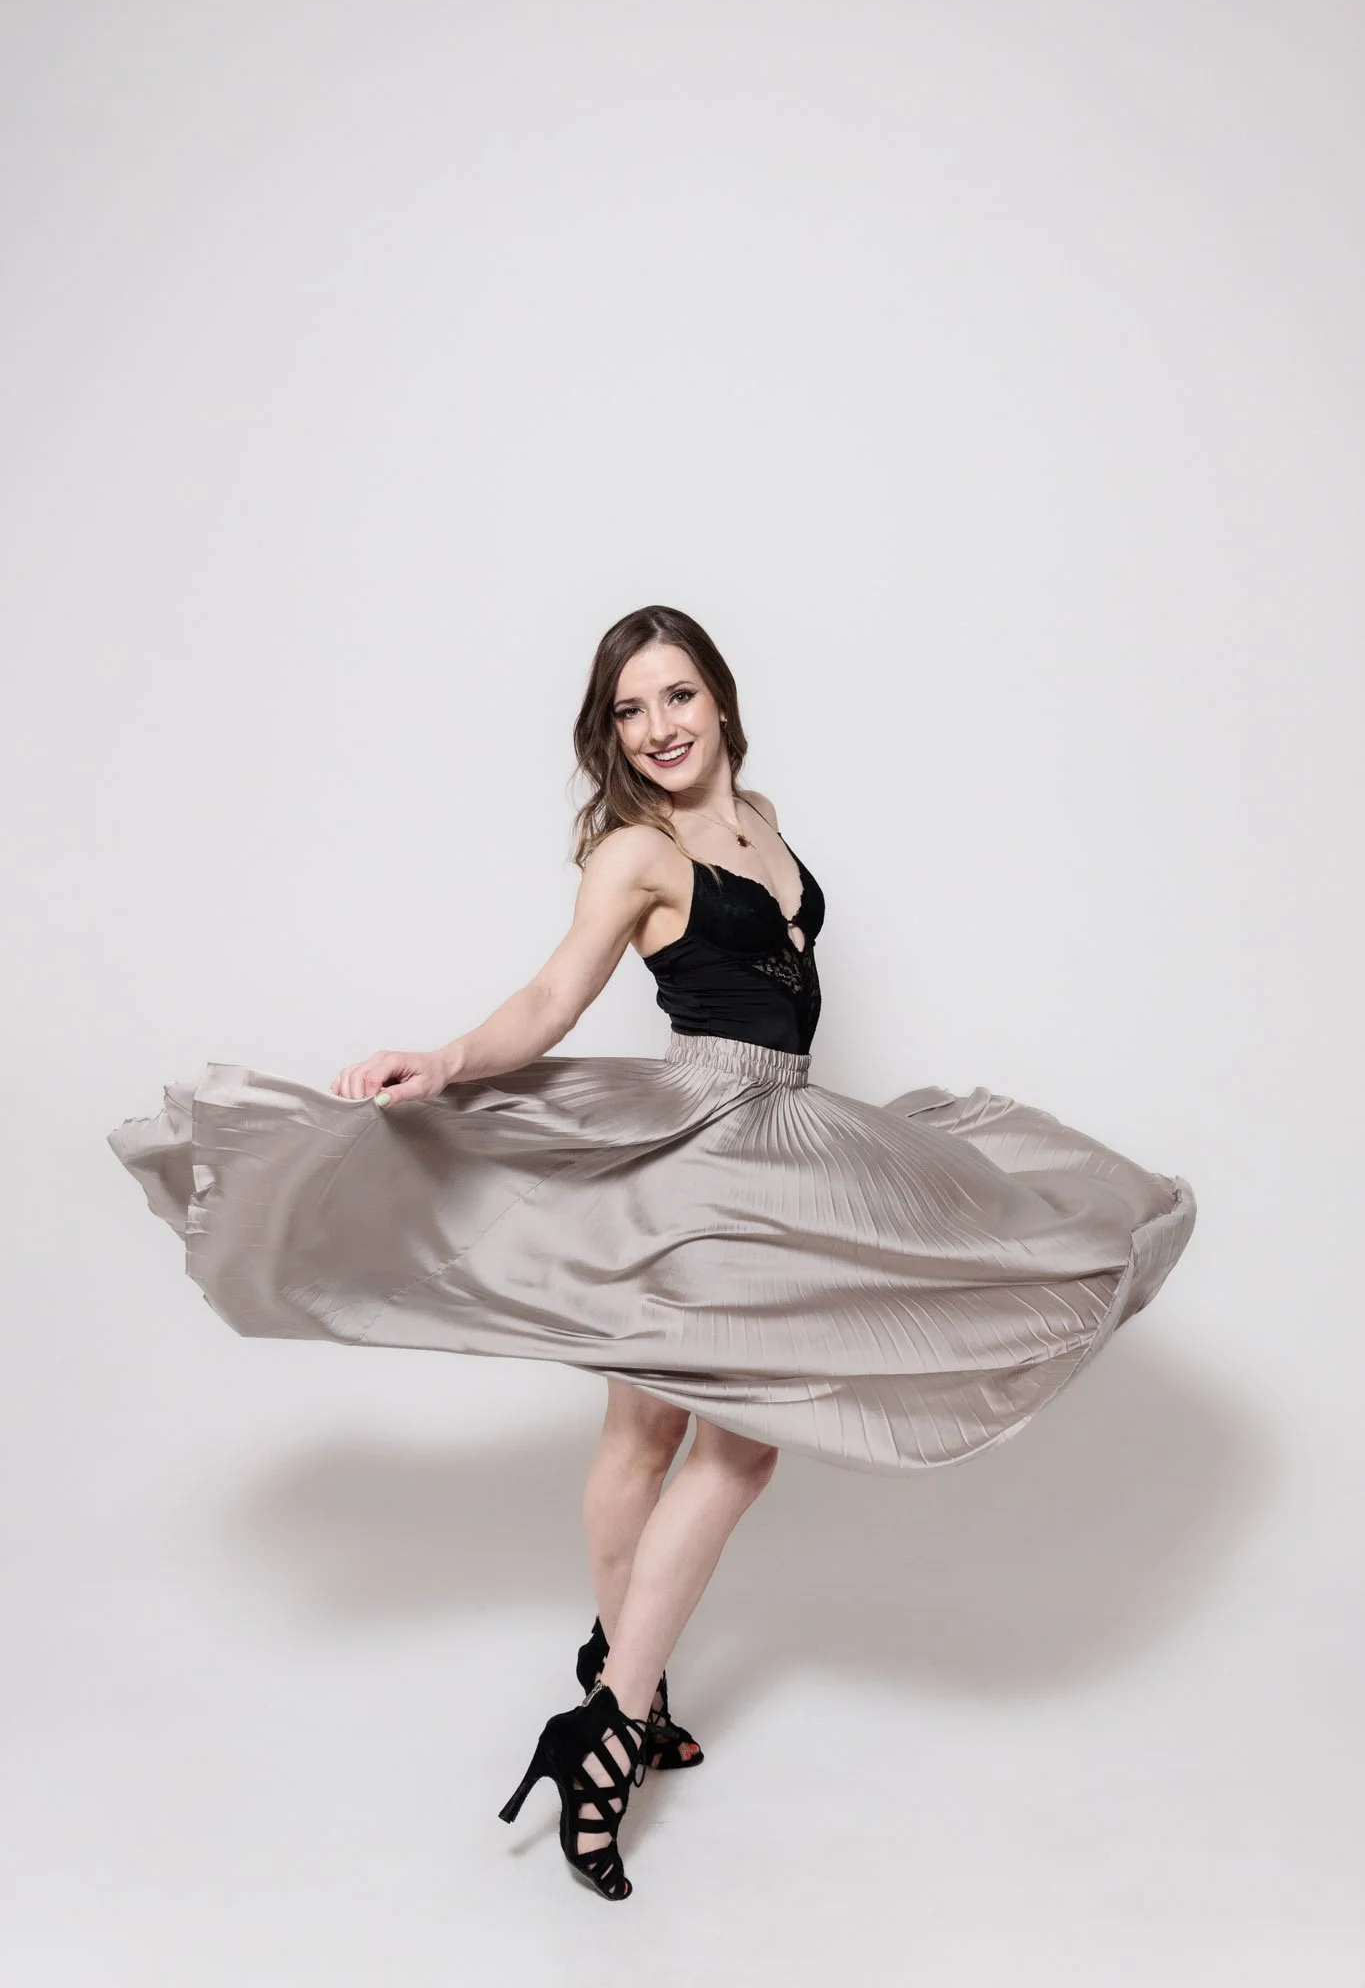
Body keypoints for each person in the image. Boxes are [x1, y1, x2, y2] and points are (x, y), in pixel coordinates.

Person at [108, 604, 1197, 1903]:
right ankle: (614, 1724)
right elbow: (553, 997)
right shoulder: (636, 853)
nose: (659, 726)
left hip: (793, 1139)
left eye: (675, 696)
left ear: (721, 703)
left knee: (663, 1438)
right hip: (702, 1150)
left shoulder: (766, 819)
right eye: (631, 710)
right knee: (720, 1443)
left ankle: (620, 1680)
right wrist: (448, 1059)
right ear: (615, 734)